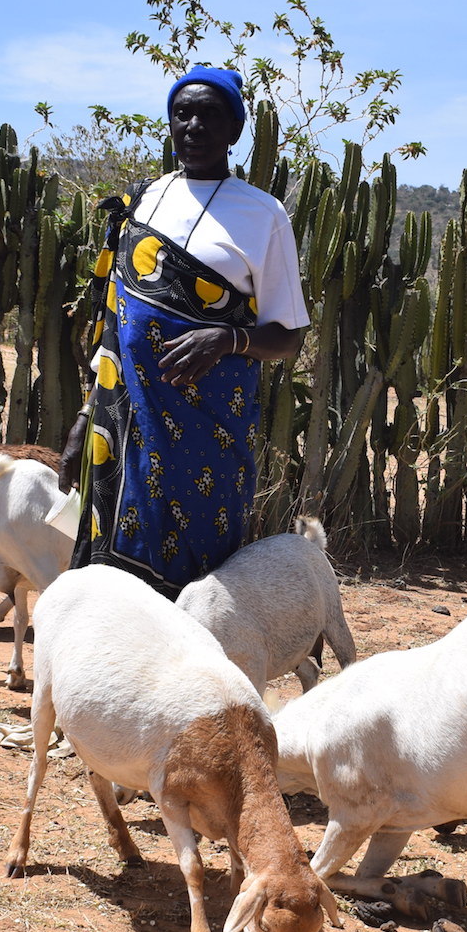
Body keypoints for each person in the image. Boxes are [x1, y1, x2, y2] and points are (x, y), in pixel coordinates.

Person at [60, 65, 309, 596]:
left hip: (206, 430)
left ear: (236, 131)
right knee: (112, 584)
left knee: (201, 579)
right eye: (183, 113)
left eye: (210, 115)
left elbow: (288, 339)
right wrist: (87, 414)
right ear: (170, 122)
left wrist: (227, 338)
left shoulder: (263, 216)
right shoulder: (142, 202)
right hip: (121, 422)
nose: (194, 125)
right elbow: (112, 322)